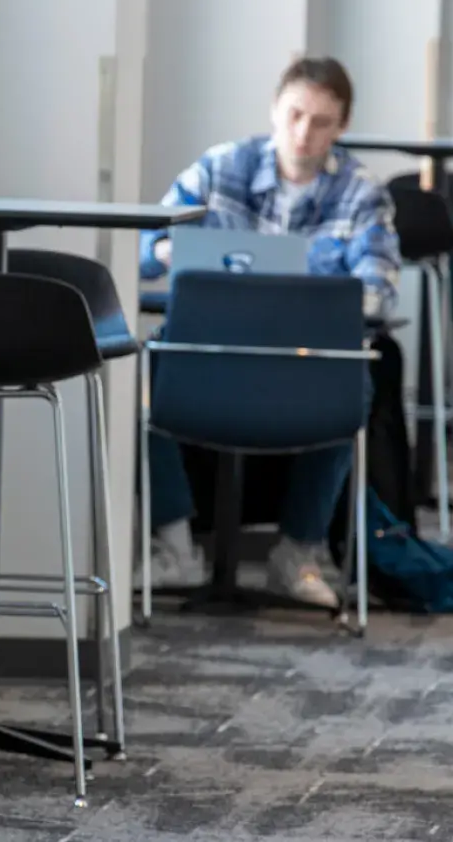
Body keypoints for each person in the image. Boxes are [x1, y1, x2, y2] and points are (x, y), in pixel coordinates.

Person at [138, 57, 400, 608]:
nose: (304, 133)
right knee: (142, 373)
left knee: (355, 383)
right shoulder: (220, 168)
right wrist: (171, 251)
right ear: (275, 110)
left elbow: (379, 290)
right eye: (295, 115)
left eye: (322, 122)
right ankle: (175, 547)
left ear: (343, 126)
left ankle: (297, 553)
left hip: (305, 362)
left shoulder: (362, 193)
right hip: (212, 354)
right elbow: (144, 245)